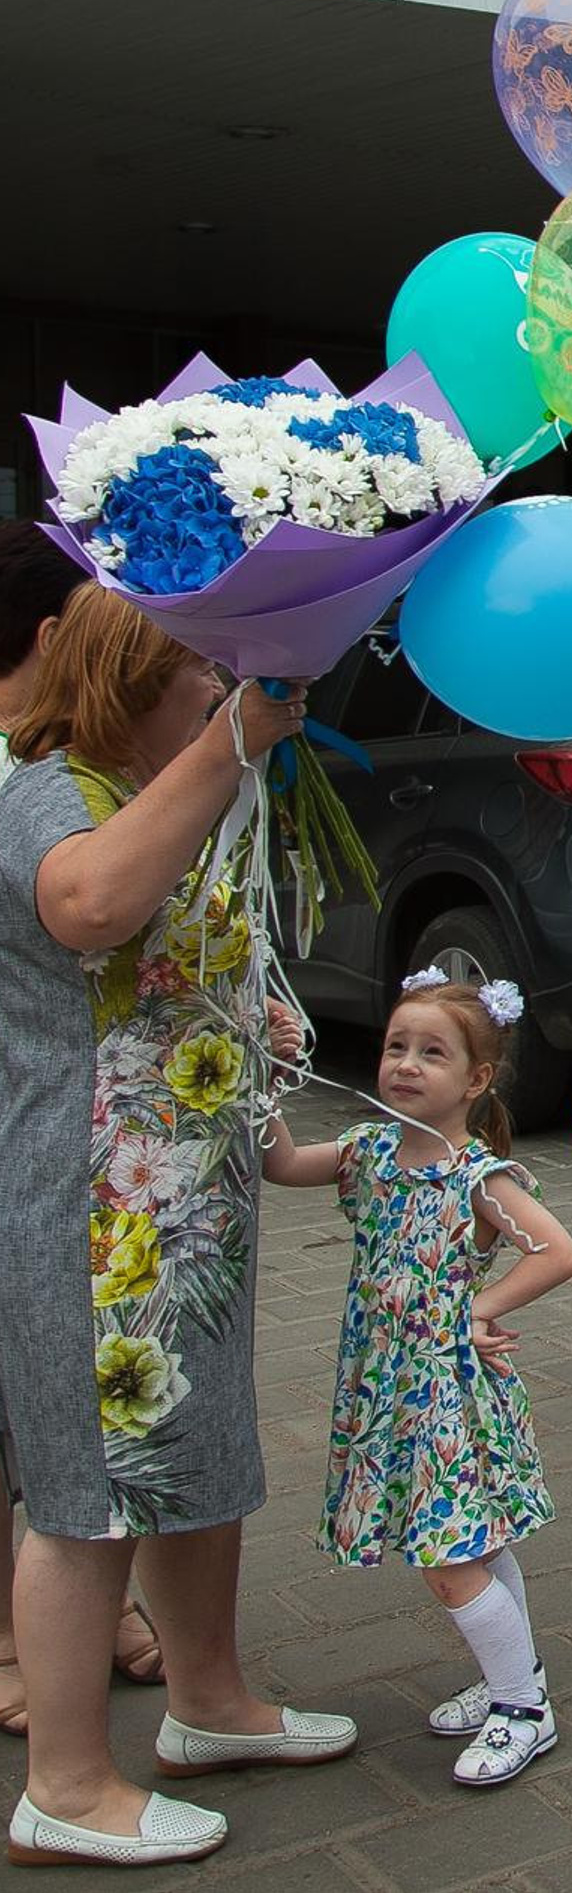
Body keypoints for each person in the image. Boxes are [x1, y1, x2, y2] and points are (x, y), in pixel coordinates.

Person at [0, 585, 357, 1870]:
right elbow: (87, 908)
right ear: (129, 676)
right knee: (86, 1493)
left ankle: (208, 1705)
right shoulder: (53, 784)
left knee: (196, 1456)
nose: (215, 693)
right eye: (198, 674)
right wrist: (231, 742)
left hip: (179, 1216)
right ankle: (65, 1784)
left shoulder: (169, 778)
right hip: (89, 1213)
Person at [260, 973, 572, 1788]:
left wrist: (479, 1305)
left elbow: (555, 1252)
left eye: (431, 1052)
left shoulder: (477, 1179)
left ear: (475, 1080)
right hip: (386, 1388)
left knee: (449, 1556)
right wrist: (265, 1077)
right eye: (396, 1046)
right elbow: (284, 1163)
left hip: (445, 1394)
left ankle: (522, 1711)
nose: (405, 1063)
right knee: (477, 1541)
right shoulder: (368, 1152)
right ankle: (517, 1680)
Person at [0, 526, 165, 1735]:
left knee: (44, 1411)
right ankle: (30, 1661)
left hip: (44, 1109)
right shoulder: (42, 789)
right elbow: (81, 906)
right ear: (61, 638)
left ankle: (69, 1628)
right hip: (35, 1116)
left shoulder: (76, 777)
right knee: (50, 1436)